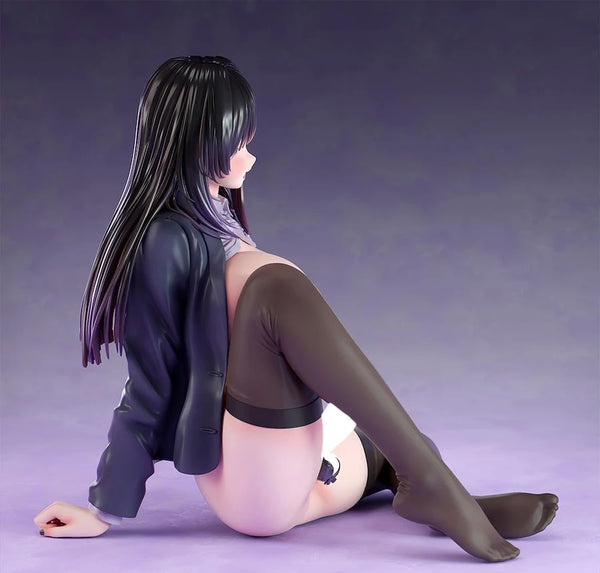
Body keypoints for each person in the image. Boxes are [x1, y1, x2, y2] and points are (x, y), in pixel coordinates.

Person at [34, 56, 558, 562]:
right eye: (238, 144)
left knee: (384, 438)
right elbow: (148, 386)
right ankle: (432, 486)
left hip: (289, 456)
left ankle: (435, 492)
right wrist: (104, 510)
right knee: (274, 289)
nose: (250, 158)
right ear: (197, 143)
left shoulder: (216, 212)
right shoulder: (165, 240)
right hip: (251, 479)